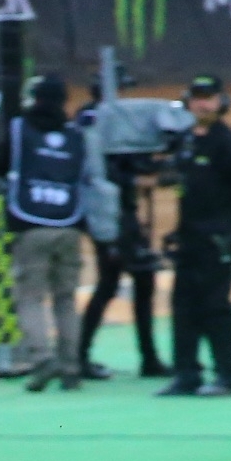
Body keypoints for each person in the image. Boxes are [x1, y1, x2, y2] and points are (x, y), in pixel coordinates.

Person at [156, 74, 231, 397]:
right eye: (197, 98)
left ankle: (228, 376)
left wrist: (226, 220)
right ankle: (186, 374)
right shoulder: (186, 140)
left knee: (215, 305)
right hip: (189, 236)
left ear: (221, 102)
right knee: (183, 305)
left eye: (209, 98)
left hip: (216, 237)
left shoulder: (226, 141)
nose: (202, 104)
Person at [74, 71, 170, 380]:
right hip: (109, 213)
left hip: (117, 211)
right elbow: (98, 170)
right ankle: (86, 356)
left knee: (123, 281)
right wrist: (138, 179)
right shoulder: (94, 121)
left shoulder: (109, 120)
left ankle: (87, 355)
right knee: (123, 280)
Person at [0, 75, 89, 393]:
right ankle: (71, 367)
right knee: (66, 300)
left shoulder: (19, 128)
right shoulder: (76, 134)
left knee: (30, 298)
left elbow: (0, 167)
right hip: (69, 224)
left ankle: (42, 358)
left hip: (31, 225)